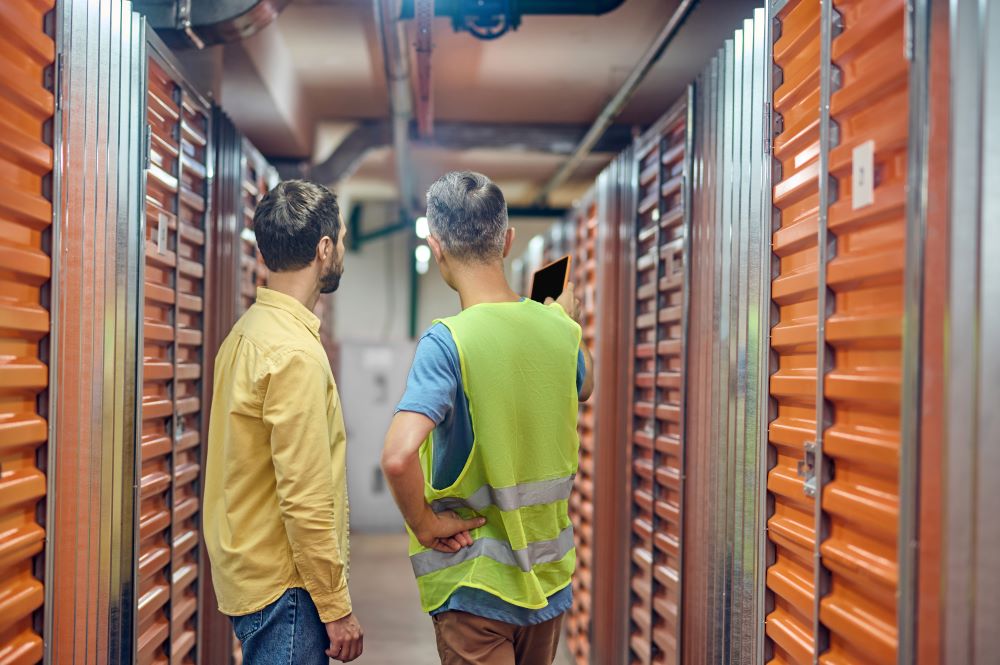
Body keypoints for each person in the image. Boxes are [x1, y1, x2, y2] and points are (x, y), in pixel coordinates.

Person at [381, 171, 594, 665]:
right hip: (547, 584)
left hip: (474, 585)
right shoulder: (559, 331)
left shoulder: (448, 342)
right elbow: (586, 385)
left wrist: (425, 522)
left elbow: (397, 456)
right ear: (508, 240)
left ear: (436, 248)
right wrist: (566, 324)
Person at [204, 180, 364, 664]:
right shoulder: (295, 355)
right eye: (339, 239)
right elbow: (305, 498)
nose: (340, 251)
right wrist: (336, 607)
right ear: (323, 249)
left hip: (255, 577)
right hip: (288, 590)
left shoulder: (247, 334)